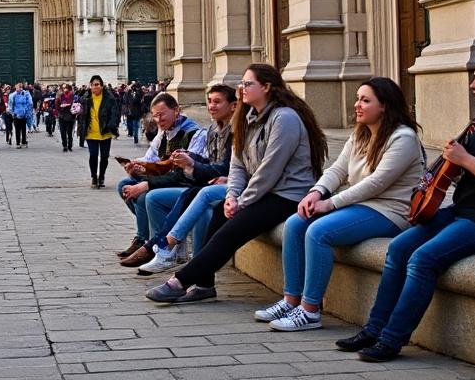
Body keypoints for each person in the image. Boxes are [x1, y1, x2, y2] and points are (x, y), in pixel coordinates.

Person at [338, 49, 475, 362]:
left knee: (424, 259)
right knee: (399, 249)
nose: (473, 84)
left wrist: (466, 159)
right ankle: (373, 328)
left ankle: (391, 339)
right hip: (467, 212)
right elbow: (454, 172)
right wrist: (444, 171)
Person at [146, 63, 327, 305]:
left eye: (248, 84)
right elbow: (238, 165)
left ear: (267, 87)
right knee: (220, 212)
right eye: (241, 84)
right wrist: (232, 195)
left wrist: (242, 202)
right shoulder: (247, 117)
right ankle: (204, 285)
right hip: (263, 192)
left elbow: (269, 170)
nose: (241, 88)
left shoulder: (285, 118)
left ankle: (179, 281)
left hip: (288, 195)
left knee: (232, 228)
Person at [254, 77, 425, 332]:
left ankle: (310, 310)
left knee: (319, 232)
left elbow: (376, 183)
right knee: (295, 222)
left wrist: (331, 204)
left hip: (390, 211)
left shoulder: (403, 138)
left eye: (365, 101)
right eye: (357, 98)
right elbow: (338, 169)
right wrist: (316, 192)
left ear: (385, 106)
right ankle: (291, 300)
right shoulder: (362, 133)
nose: (357, 105)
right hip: (361, 205)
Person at [136, 84, 239, 275]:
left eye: (217, 102)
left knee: (199, 197)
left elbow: (229, 167)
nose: (211, 106)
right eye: (209, 101)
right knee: (151, 196)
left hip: (223, 185)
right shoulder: (213, 130)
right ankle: (161, 247)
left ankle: (165, 249)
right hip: (206, 182)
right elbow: (212, 163)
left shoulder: (233, 131)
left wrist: (192, 164)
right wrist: (190, 160)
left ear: (233, 105)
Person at [116, 93, 207, 267]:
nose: (158, 120)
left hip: (186, 185)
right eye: (155, 115)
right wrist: (136, 167)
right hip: (169, 180)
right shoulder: (163, 134)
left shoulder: (195, 133)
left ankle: (160, 247)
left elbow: (184, 174)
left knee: (147, 196)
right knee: (125, 185)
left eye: (162, 114)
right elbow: (151, 160)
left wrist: (147, 184)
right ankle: (144, 238)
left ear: (176, 111)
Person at [83, 75, 122, 188]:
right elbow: (82, 113)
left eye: (98, 84)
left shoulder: (109, 98)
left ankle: (102, 176)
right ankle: (94, 177)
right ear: (90, 86)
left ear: (102, 85)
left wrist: (111, 125)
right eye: (94, 84)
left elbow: (115, 113)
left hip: (105, 132)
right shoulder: (86, 98)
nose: (96, 87)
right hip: (91, 132)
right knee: (93, 155)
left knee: (104, 156)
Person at [9, 82, 33, 148]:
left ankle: (24, 141)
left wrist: (27, 111)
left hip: (24, 114)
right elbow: (11, 104)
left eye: (20, 87)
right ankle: (18, 143)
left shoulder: (26, 94)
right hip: (16, 114)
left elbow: (30, 103)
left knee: (23, 128)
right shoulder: (13, 95)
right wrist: (12, 113)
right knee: (17, 129)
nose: (19, 89)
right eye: (17, 87)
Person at [57, 87, 77, 152]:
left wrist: (75, 109)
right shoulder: (60, 96)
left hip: (71, 116)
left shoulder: (74, 97)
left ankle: (70, 145)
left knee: (69, 132)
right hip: (62, 116)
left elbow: (78, 106)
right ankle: (65, 145)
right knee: (63, 132)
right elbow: (57, 106)